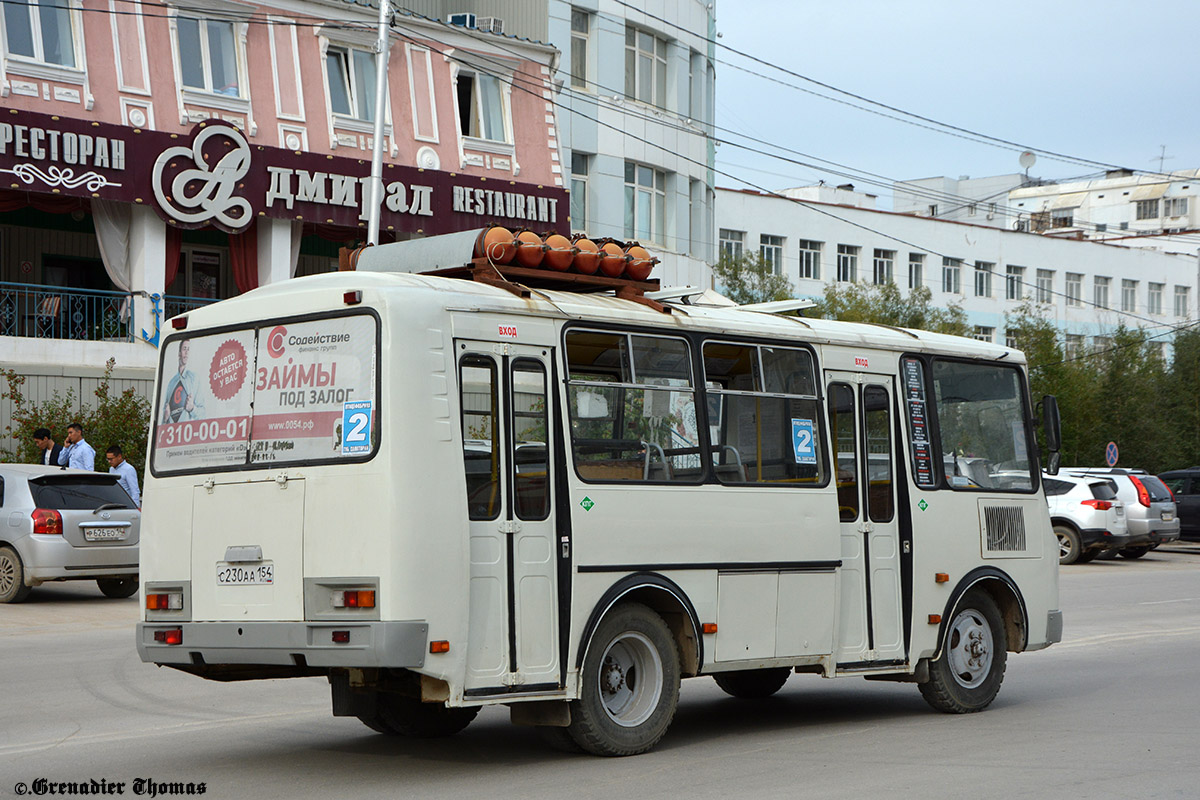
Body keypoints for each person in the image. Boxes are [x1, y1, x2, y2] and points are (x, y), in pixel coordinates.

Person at [163, 339, 205, 422]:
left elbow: (203, 414)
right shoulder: (171, 383)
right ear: (179, 353)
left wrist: (192, 408)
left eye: (188, 350)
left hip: (188, 433)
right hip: (172, 432)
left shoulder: (194, 379)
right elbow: (163, 420)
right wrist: (165, 418)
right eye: (184, 349)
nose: (186, 352)